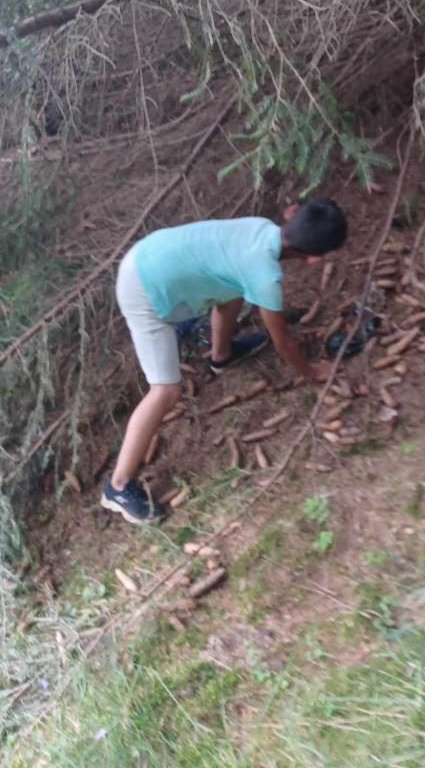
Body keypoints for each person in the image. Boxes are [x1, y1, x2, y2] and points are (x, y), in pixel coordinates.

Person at [101, 197, 347, 523]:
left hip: (146, 254)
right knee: (165, 391)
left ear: (291, 213)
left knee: (231, 289)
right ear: (315, 258)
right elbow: (282, 342)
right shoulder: (263, 275)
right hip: (143, 291)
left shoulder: (259, 228)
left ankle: (221, 355)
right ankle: (118, 488)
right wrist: (312, 372)